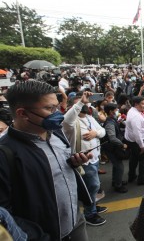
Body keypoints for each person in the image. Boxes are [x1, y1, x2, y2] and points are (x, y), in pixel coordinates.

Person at [0, 80, 92, 240]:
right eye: (49, 108)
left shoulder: (56, 132)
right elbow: (4, 214)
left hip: (75, 223)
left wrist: (73, 163)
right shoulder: (4, 153)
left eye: (57, 107)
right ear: (22, 113)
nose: (58, 113)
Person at [62, 91, 107, 226]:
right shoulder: (70, 123)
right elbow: (66, 119)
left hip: (94, 159)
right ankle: (90, 213)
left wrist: (95, 133)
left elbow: (103, 132)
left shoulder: (89, 118)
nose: (84, 106)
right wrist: (81, 101)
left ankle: (92, 206)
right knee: (92, 187)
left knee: (93, 186)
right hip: (83, 161)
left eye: (86, 103)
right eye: (81, 104)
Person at [124, 96, 144, 185]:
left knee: (134, 158)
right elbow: (137, 133)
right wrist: (142, 145)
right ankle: (142, 179)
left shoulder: (132, 111)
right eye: (143, 104)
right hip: (138, 141)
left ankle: (131, 176)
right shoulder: (135, 116)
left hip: (132, 140)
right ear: (136, 104)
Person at [102, 103, 129, 193]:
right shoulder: (110, 123)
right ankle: (118, 185)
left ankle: (116, 181)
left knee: (116, 165)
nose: (117, 111)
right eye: (115, 110)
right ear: (110, 111)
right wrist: (122, 144)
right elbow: (112, 138)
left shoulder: (112, 120)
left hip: (112, 147)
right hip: (111, 148)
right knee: (119, 166)